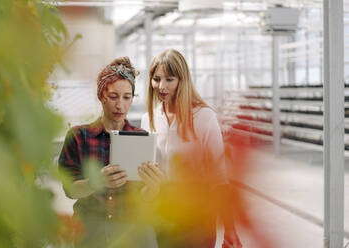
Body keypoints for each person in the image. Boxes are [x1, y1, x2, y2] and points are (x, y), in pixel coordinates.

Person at [140, 49, 242, 248]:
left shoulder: (204, 118)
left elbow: (219, 178)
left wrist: (230, 230)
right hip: (160, 216)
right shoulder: (148, 119)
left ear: (182, 80)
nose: (161, 86)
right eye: (156, 79)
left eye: (169, 79)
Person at [58, 57, 158, 248]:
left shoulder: (142, 139)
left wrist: (153, 188)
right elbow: (70, 190)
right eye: (113, 97)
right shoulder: (79, 136)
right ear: (101, 96)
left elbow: (144, 197)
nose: (120, 105)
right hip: (90, 233)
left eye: (127, 97)